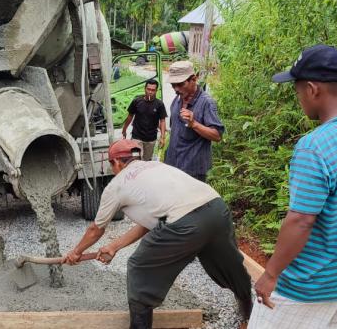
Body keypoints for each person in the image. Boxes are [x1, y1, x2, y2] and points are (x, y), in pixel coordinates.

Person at [248, 45, 337, 328]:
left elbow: (302, 219)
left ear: (313, 89)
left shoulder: (315, 146)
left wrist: (270, 274)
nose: (298, 97)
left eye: (297, 90)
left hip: (307, 284)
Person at [63, 139, 253, 329]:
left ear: (117, 162)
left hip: (184, 224)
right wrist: (114, 246)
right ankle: (249, 313)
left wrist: (76, 252)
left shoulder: (116, 185)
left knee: (140, 267)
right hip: (217, 209)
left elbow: (96, 229)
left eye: (112, 165)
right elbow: (152, 221)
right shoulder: (155, 166)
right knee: (230, 265)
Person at [164, 61, 224, 182]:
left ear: (194, 79)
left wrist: (194, 124)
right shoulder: (177, 99)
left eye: (180, 84)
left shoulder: (206, 102)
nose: (176, 89)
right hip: (173, 164)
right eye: (173, 85)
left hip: (193, 171)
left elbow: (217, 135)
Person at [121, 79, 167, 161]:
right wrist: (124, 129)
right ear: (145, 89)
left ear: (156, 91)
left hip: (151, 139)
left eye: (153, 90)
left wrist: (162, 137)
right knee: (136, 160)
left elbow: (162, 120)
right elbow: (130, 116)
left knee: (146, 161)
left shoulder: (159, 104)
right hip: (137, 137)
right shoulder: (136, 101)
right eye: (148, 89)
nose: (150, 92)